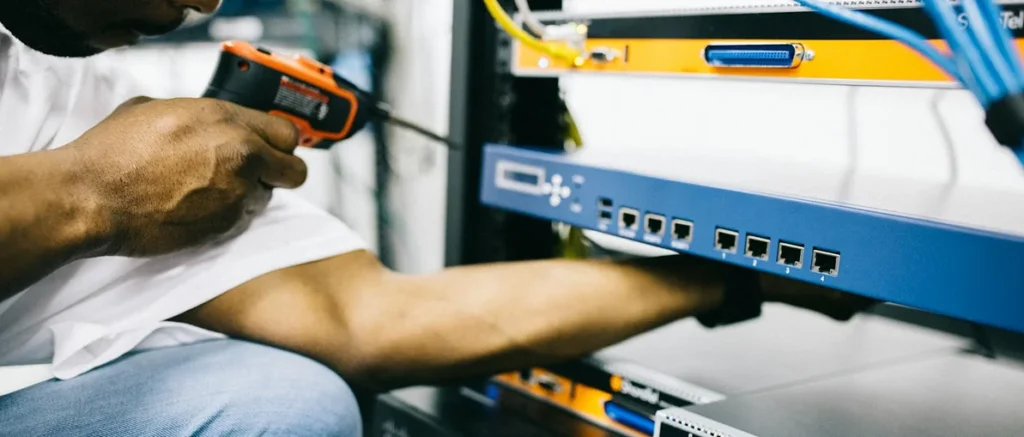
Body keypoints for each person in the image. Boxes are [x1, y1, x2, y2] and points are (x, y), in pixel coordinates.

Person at [0, 0, 875, 435]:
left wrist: (728, 269)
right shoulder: (98, 149)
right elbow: (97, 184)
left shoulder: (56, 89)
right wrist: (94, 193)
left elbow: (364, 320)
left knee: (284, 401)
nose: (197, 3)